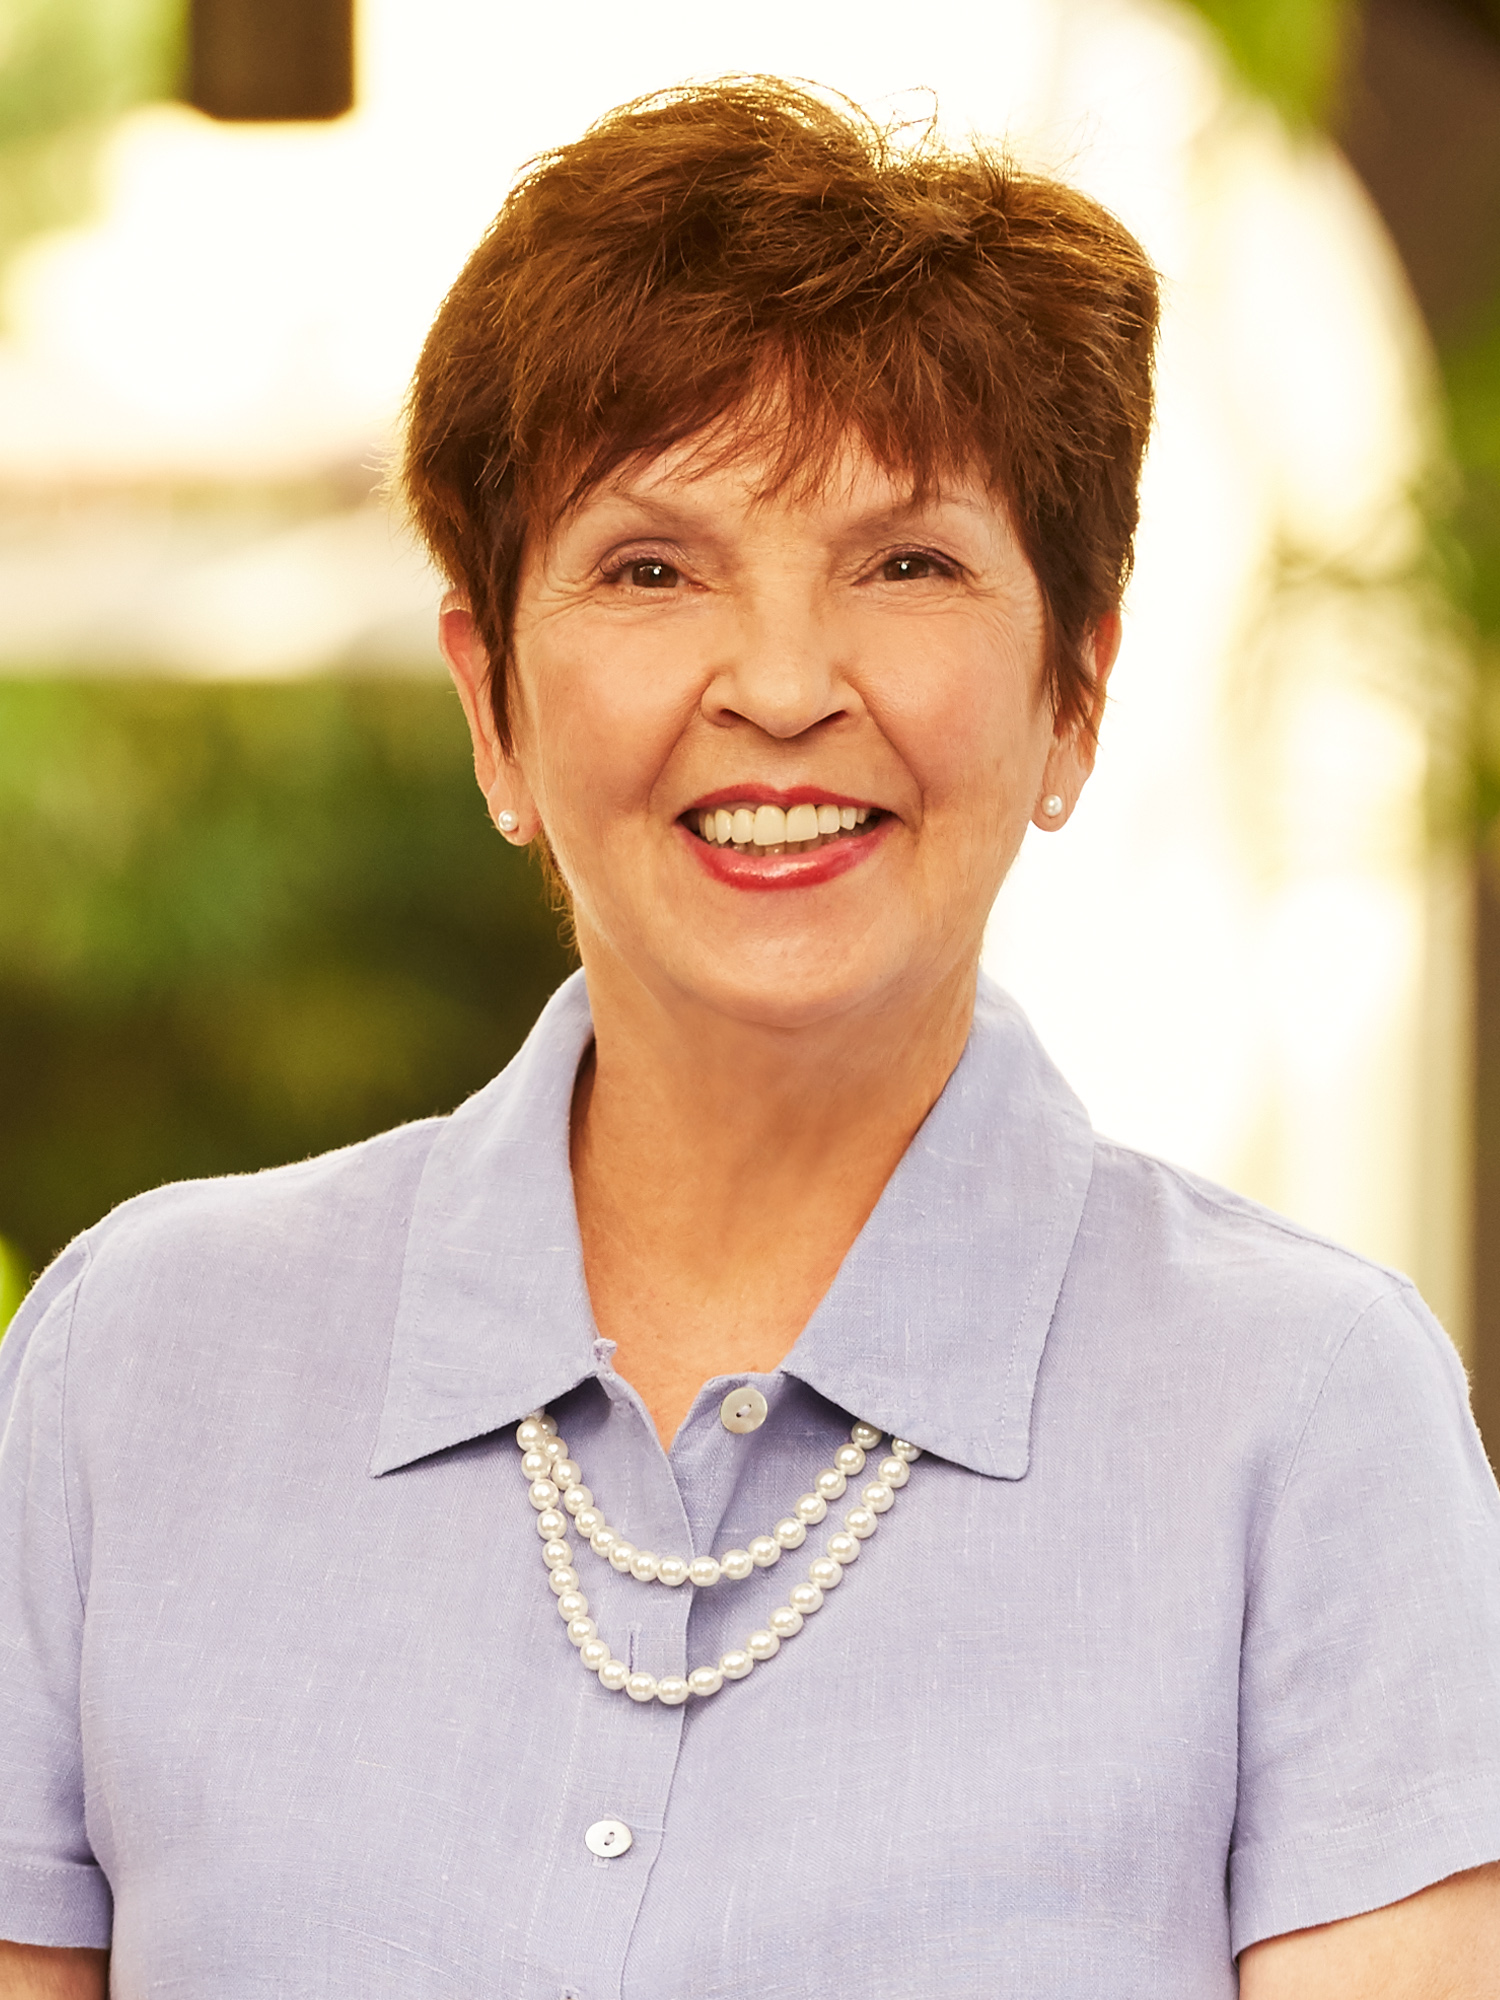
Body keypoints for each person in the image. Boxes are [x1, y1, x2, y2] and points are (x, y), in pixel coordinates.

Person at [2, 76, 1499, 2000]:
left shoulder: (1306, 1416)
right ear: (491, 701)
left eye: (907, 562)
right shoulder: (136, 1370)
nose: (784, 687)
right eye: (652, 566)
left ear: (1075, 689)